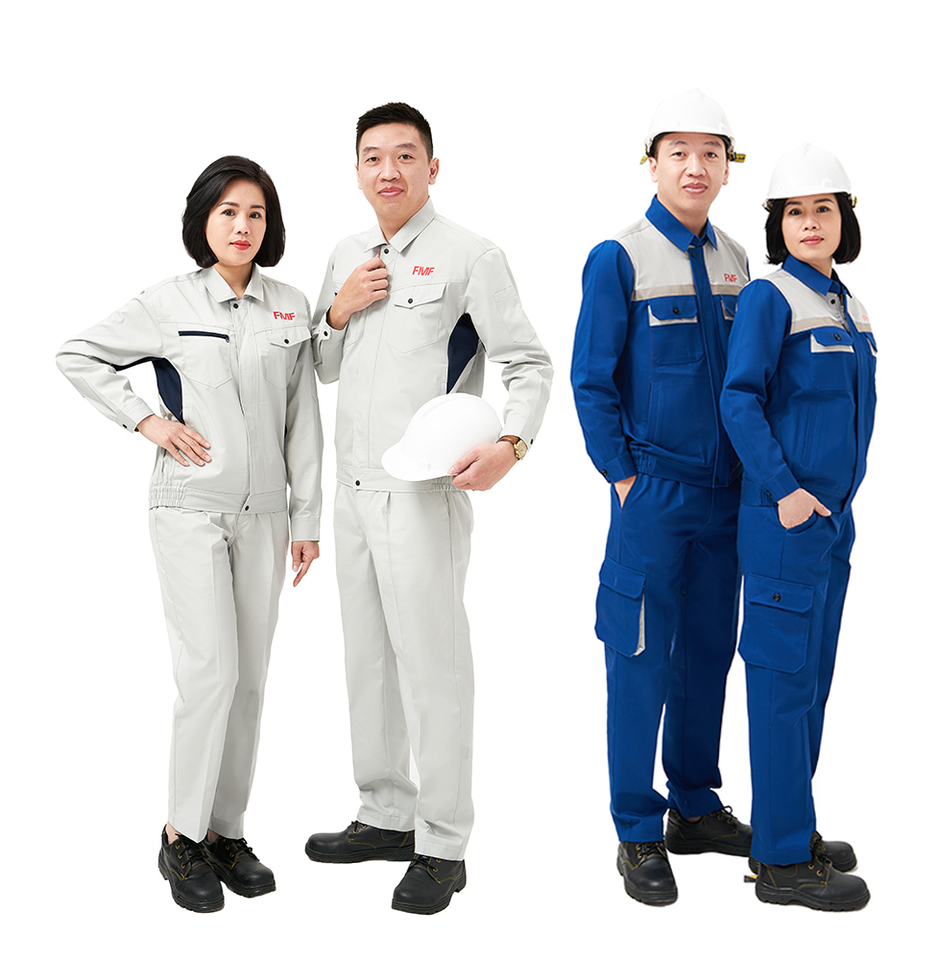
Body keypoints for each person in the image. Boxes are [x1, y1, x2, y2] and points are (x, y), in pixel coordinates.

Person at [304, 102, 552, 915]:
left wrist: (512, 444)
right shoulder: (346, 253)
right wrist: (337, 309)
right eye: (373, 157)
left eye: (405, 155)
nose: (389, 170)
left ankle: (443, 843)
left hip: (421, 493)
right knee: (368, 660)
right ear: (356, 171)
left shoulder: (471, 255)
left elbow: (527, 362)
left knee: (433, 667)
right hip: (352, 492)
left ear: (432, 168)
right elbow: (323, 366)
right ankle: (385, 812)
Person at [56, 157, 322, 913]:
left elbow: (303, 417)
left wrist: (306, 518)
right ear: (203, 220)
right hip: (190, 507)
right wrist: (147, 421)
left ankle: (225, 832)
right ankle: (180, 835)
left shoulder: (289, 307)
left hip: (266, 514)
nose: (242, 226)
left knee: (250, 680)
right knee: (210, 673)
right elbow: (77, 354)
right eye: (228, 211)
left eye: (256, 214)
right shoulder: (168, 301)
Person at [571, 89, 751, 906]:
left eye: (711, 152)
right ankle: (637, 829)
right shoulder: (621, 257)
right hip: (653, 496)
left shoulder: (739, 261)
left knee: (709, 652)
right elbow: (591, 379)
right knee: (639, 659)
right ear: (652, 164)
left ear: (727, 168)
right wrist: (623, 477)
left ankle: (696, 805)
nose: (695, 166)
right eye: (678, 152)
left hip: (729, 498)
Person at [720, 144, 874, 911]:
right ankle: (780, 861)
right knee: (782, 688)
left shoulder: (847, 305)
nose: (809, 222)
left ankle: (791, 825)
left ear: (845, 220)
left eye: (823, 209)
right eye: (794, 212)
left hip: (830, 525)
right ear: (777, 225)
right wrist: (784, 491)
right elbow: (739, 398)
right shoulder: (770, 296)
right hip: (785, 521)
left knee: (810, 683)